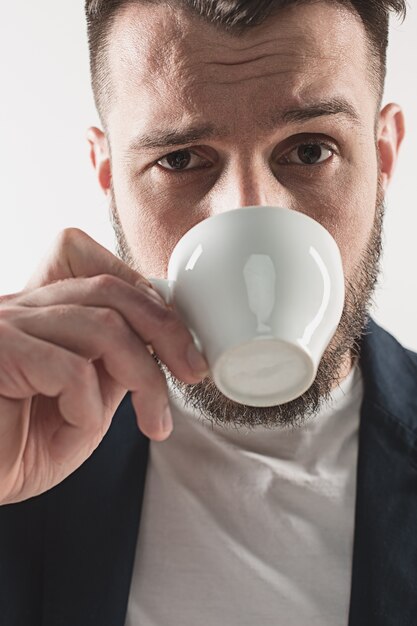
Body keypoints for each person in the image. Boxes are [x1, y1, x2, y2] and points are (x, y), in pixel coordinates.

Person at [0, 0, 415, 624]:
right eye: (180, 159)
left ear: (383, 157)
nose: (248, 213)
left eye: (309, 151)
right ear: (108, 174)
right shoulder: (21, 435)